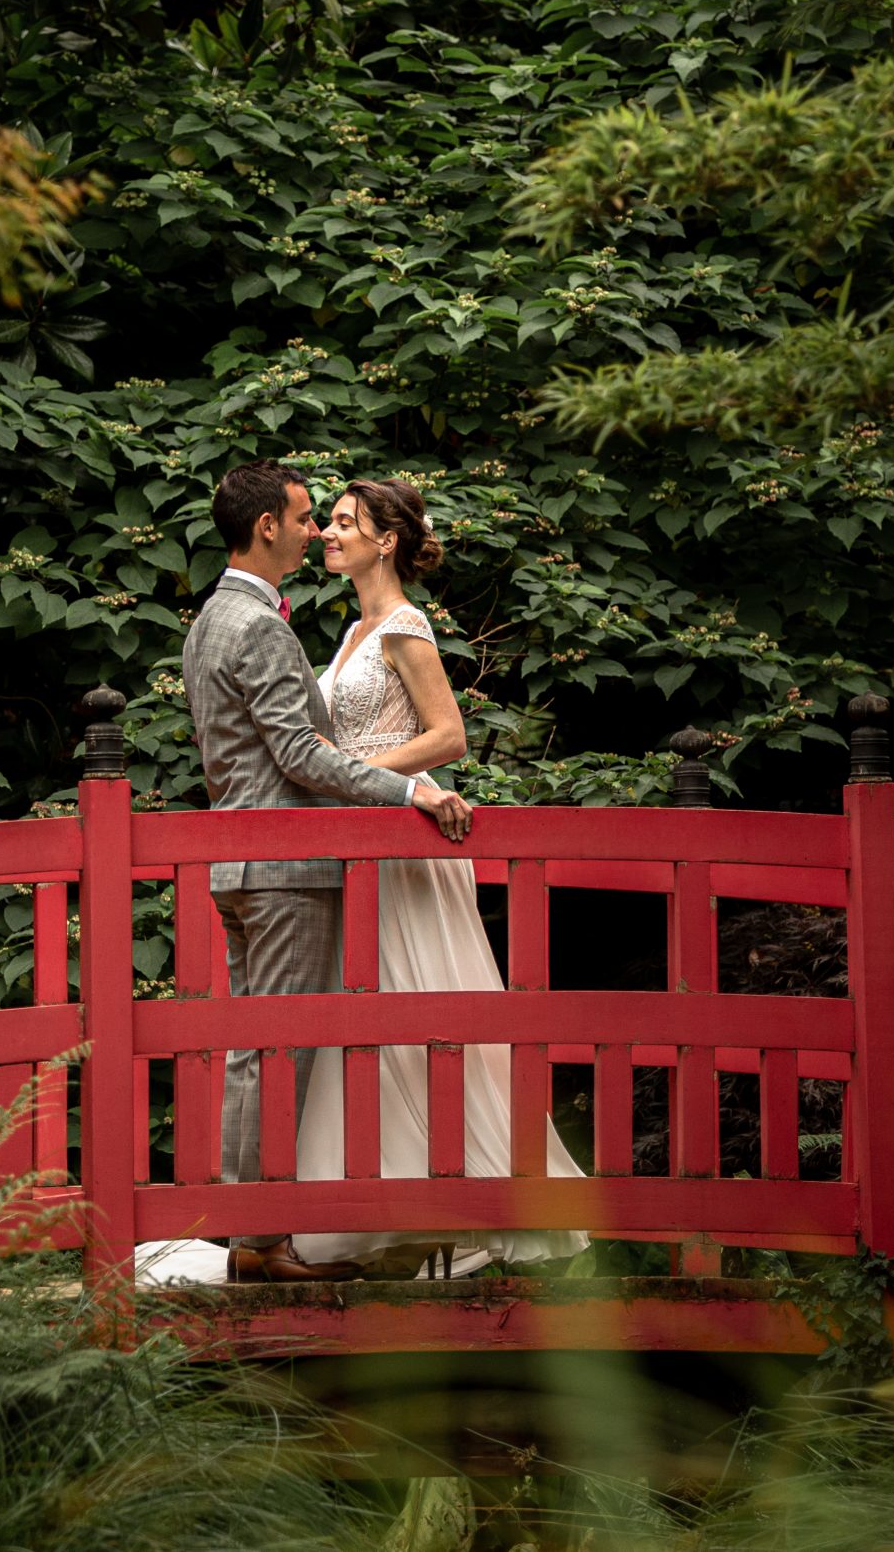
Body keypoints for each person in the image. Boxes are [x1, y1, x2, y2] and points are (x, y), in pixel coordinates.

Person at [179, 460, 474, 1285]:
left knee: (253, 1050)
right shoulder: (264, 626)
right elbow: (301, 753)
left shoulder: (208, 621)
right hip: (285, 866)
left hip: (235, 858)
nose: (316, 532)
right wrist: (407, 788)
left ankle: (250, 1233)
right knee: (278, 1051)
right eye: (307, 517)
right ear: (266, 524)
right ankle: (262, 1243)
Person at [290, 478, 588, 1275]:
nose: (328, 532)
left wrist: (355, 772)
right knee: (371, 1020)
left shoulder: (403, 626)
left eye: (345, 523)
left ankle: (489, 1192)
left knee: (425, 1013)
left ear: (385, 540)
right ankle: (386, 1206)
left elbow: (449, 735)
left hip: (404, 841)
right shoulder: (350, 631)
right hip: (361, 844)